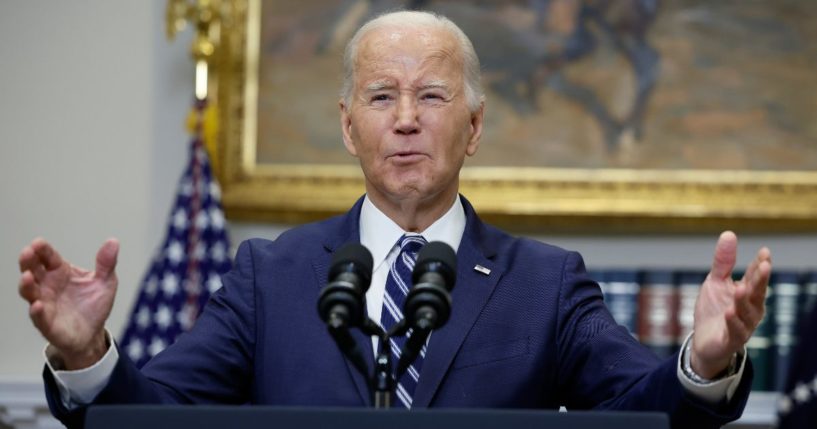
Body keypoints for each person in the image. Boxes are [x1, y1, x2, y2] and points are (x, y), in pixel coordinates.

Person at [18, 10, 771, 429]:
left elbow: (646, 411)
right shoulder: (270, 276)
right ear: (349, 128)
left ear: (473, 129)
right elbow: (155, 420)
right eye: (381, 97)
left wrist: (702, 364)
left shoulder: (544, 283)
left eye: (432, 97)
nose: (406, 120)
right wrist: (89, 357)